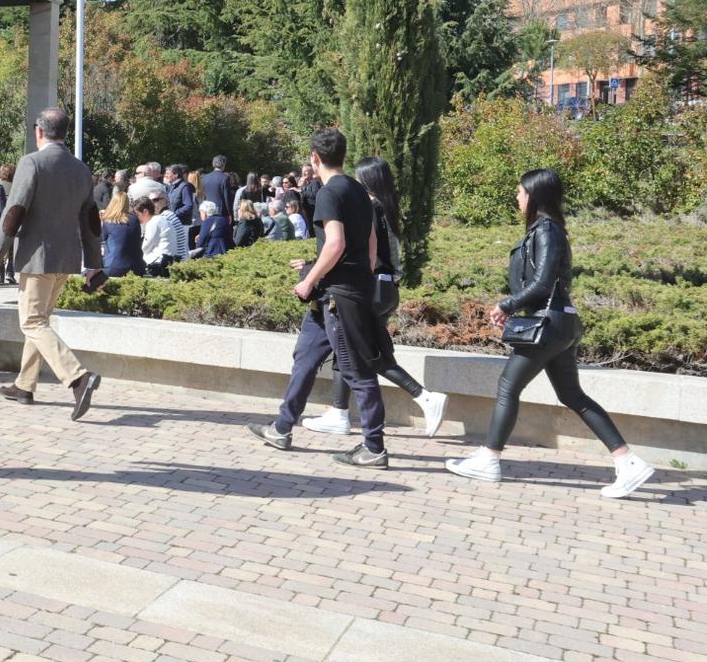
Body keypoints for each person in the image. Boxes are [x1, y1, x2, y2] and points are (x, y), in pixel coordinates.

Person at [445, 169, 654, 498]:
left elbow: (542, 283)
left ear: (534, 195)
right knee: (572, 396)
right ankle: (628, 462)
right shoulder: (545, 230)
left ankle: (489, 459)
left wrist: (507, 305)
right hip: (558, 323)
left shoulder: (547, 231)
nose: (516, 197)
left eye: (520, 191)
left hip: (550, 323)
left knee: (507, 386)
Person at [249, 128, 389, 468]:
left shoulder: (329, 193)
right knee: (306, 356)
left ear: (314, 157)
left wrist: (309, 279)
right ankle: (282, 427)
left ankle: (374, 448)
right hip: (340, 293)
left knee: (357, 371)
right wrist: (360, 275)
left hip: (337, 296)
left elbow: (336, 243)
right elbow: (370, 244)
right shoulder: (359, 190)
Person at [304, 157, 448, 439]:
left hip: (374, 288)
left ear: (367, 179)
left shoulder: (369, 206)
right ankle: (339, 413)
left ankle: (424, 398)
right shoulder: (385, 207)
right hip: (386, 288)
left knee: (368, 355)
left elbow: (355, 250)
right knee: (348, 349)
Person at [0, 106, 105, 420]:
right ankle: (24, 385)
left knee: (32, 322)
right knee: (40, 323)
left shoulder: (32, 162)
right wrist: (95, 263)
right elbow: (91, 219)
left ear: (39, 131)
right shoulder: (81, 168)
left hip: (37, 257)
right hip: (67, 258)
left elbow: (14, 212)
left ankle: (78, 377)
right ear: (64, 133)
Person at [101, 190, 144, 277]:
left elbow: (102, 241)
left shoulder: (108, 221)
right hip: (136, 267)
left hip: (114, 267)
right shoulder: (134, 220)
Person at [136, 197, 172, 276]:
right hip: (168, 259)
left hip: (158, 263)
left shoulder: (153, 222)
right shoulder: (162, 219)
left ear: (145, 211)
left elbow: (145, 247)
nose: (137, 218)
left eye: (138, 214)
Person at [201, 155, 234, 222]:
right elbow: (227, 197)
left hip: (207, 211)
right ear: (223, 164)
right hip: (220, 212)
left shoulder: (205, 177)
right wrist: (230, 213)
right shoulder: (224, 178)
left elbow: (203, 195)